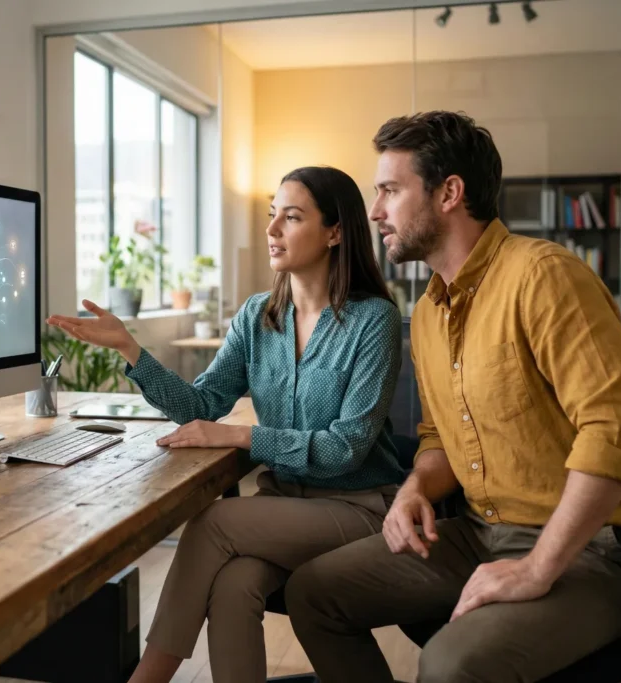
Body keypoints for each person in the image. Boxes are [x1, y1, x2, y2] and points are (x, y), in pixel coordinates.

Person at [283, 111, 621, 683]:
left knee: (448, 666)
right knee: (313, 593)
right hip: (483, 531)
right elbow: (442, 437)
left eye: (389, 190)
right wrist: (416, 487)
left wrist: (537, 567)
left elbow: (616, 433)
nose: (374, 211)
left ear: (449, 194)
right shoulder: (428, 316)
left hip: (596, 552)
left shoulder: (544, 277)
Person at [46, 165, 404, 683]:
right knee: (234, 585)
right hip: (286, 507)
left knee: (213, 524)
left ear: (335, 232)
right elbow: (203, 403)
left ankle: (146, 678)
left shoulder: (374, 320)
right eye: (271, 215)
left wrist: (241, 435)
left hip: (359, 508)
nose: (272, 229)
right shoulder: (257, 316)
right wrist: (130, 347)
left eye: (292, 217)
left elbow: (345, 448)